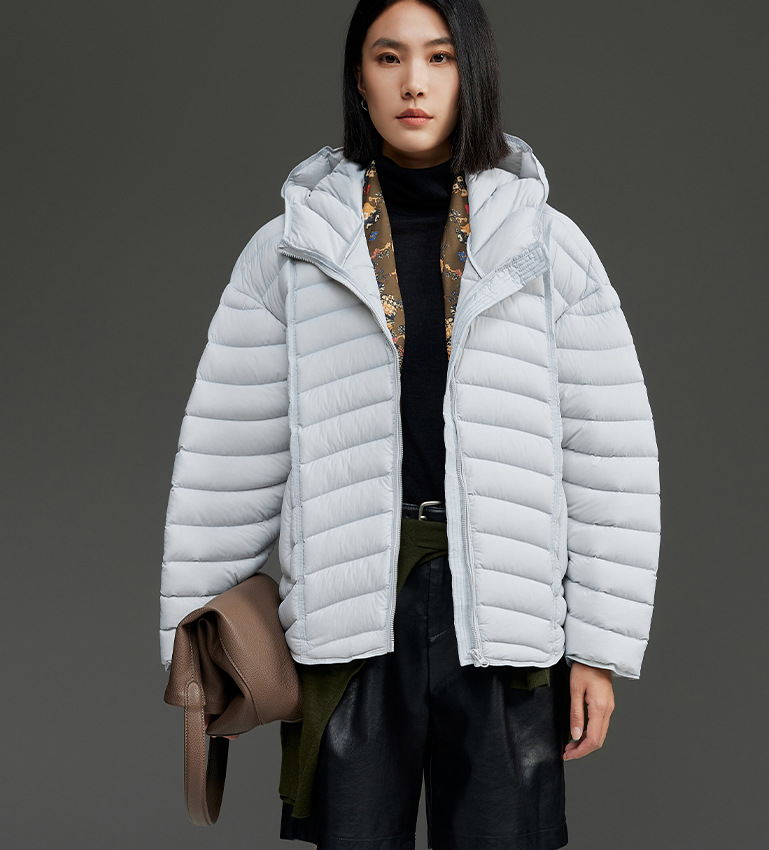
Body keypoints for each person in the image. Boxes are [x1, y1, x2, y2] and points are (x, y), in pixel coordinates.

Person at [158, 1, 661, 848]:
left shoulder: (549, 248)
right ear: (359, 78)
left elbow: (610, 455)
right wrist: (195, 656)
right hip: (349, 614)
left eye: (440, 57)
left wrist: (599, 650)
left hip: (503, 617)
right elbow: (225, 456)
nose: (415, 83)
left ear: (473, 74)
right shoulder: (290, 252)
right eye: (389, 57)